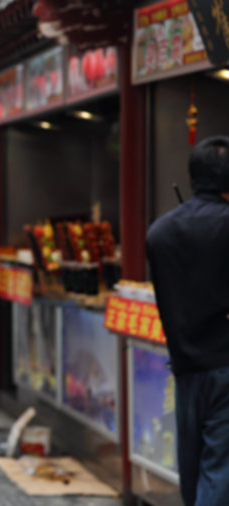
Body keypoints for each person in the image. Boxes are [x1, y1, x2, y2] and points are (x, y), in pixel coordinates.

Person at [146, 136, 229, 506]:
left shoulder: (159, 233)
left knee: (193, 467)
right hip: (225, 364)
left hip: (184, 365)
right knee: (220, 469)